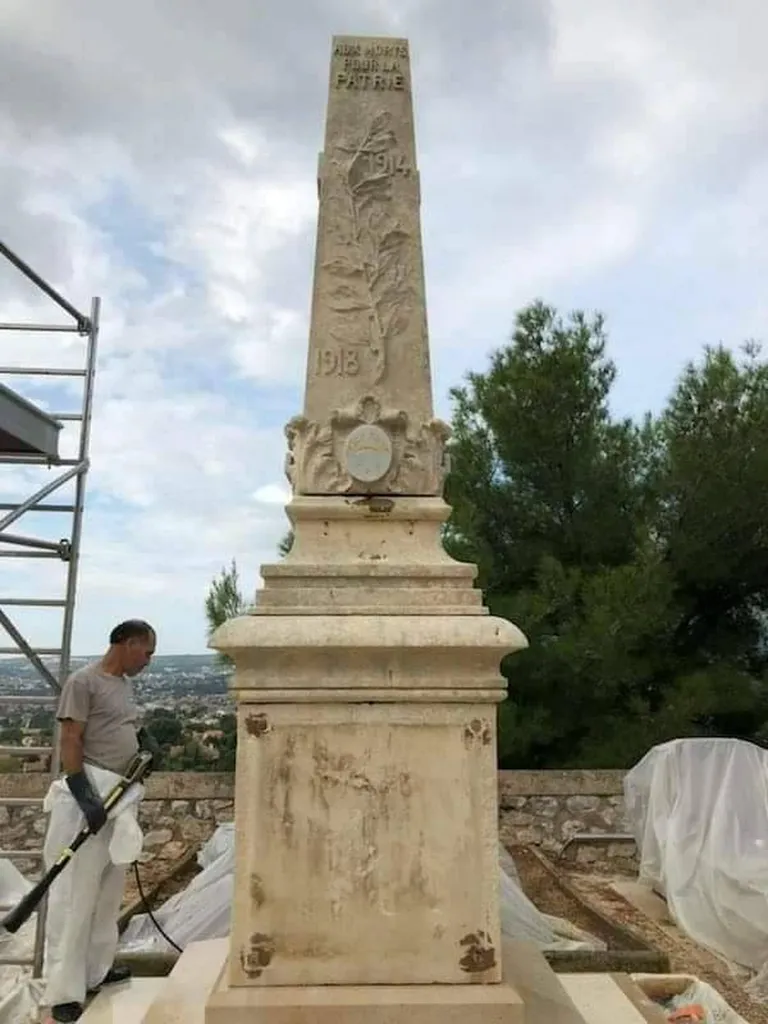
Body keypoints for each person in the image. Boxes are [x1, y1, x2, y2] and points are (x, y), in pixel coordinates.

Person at [42, 620, 160, 1023]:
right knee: (77, 897)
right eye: (147, 652)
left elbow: (120, 728)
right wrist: (82, 792)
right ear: (128, 644)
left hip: (119, 798)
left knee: (109, 892)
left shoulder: (124, 686)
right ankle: (65, 990)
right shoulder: (83, 682)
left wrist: (143, 744)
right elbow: (71, 739)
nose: (149, 661)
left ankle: (97, 969)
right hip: (90, 797)